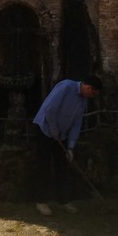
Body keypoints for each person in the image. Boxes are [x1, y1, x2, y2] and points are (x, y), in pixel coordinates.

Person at [31, 75, 103, 215]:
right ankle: (41, 201)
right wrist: (53, 129)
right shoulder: (66, 87)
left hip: (61, 134)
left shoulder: (83, 101)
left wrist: (70, 147)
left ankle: (63, 200)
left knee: (62, 167)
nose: (92, 97)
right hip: (45, 129)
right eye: (93, 93)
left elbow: (76, 124)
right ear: (89, 88)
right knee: (44, 165)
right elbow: (50, 109)